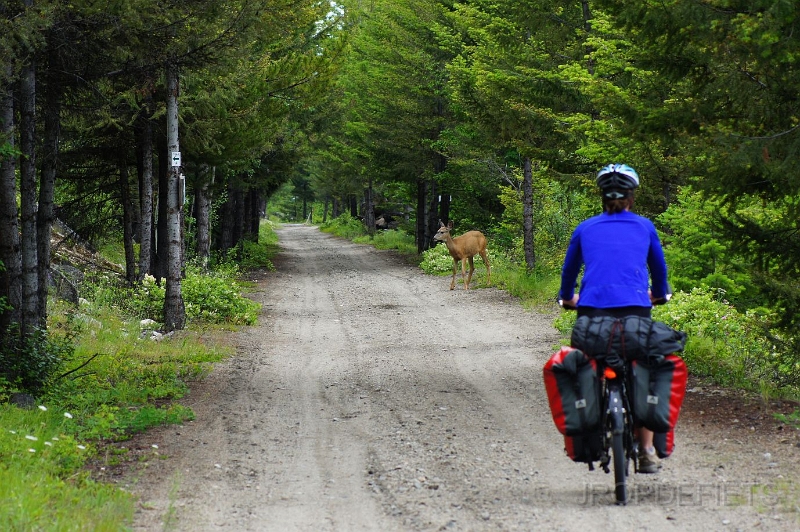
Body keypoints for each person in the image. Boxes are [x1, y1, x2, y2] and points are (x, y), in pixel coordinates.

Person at [559, 163, 670, 474]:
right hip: (636, 313)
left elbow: (569, 272)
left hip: (591, 317)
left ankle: (591, 430)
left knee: (589, 368)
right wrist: (659, 294)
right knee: (645, 369)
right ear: (631, 198)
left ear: (601, 198)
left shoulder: (585, 228)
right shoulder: (645, 226)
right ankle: (647, 450)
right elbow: (659, 272)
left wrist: (568, 298)